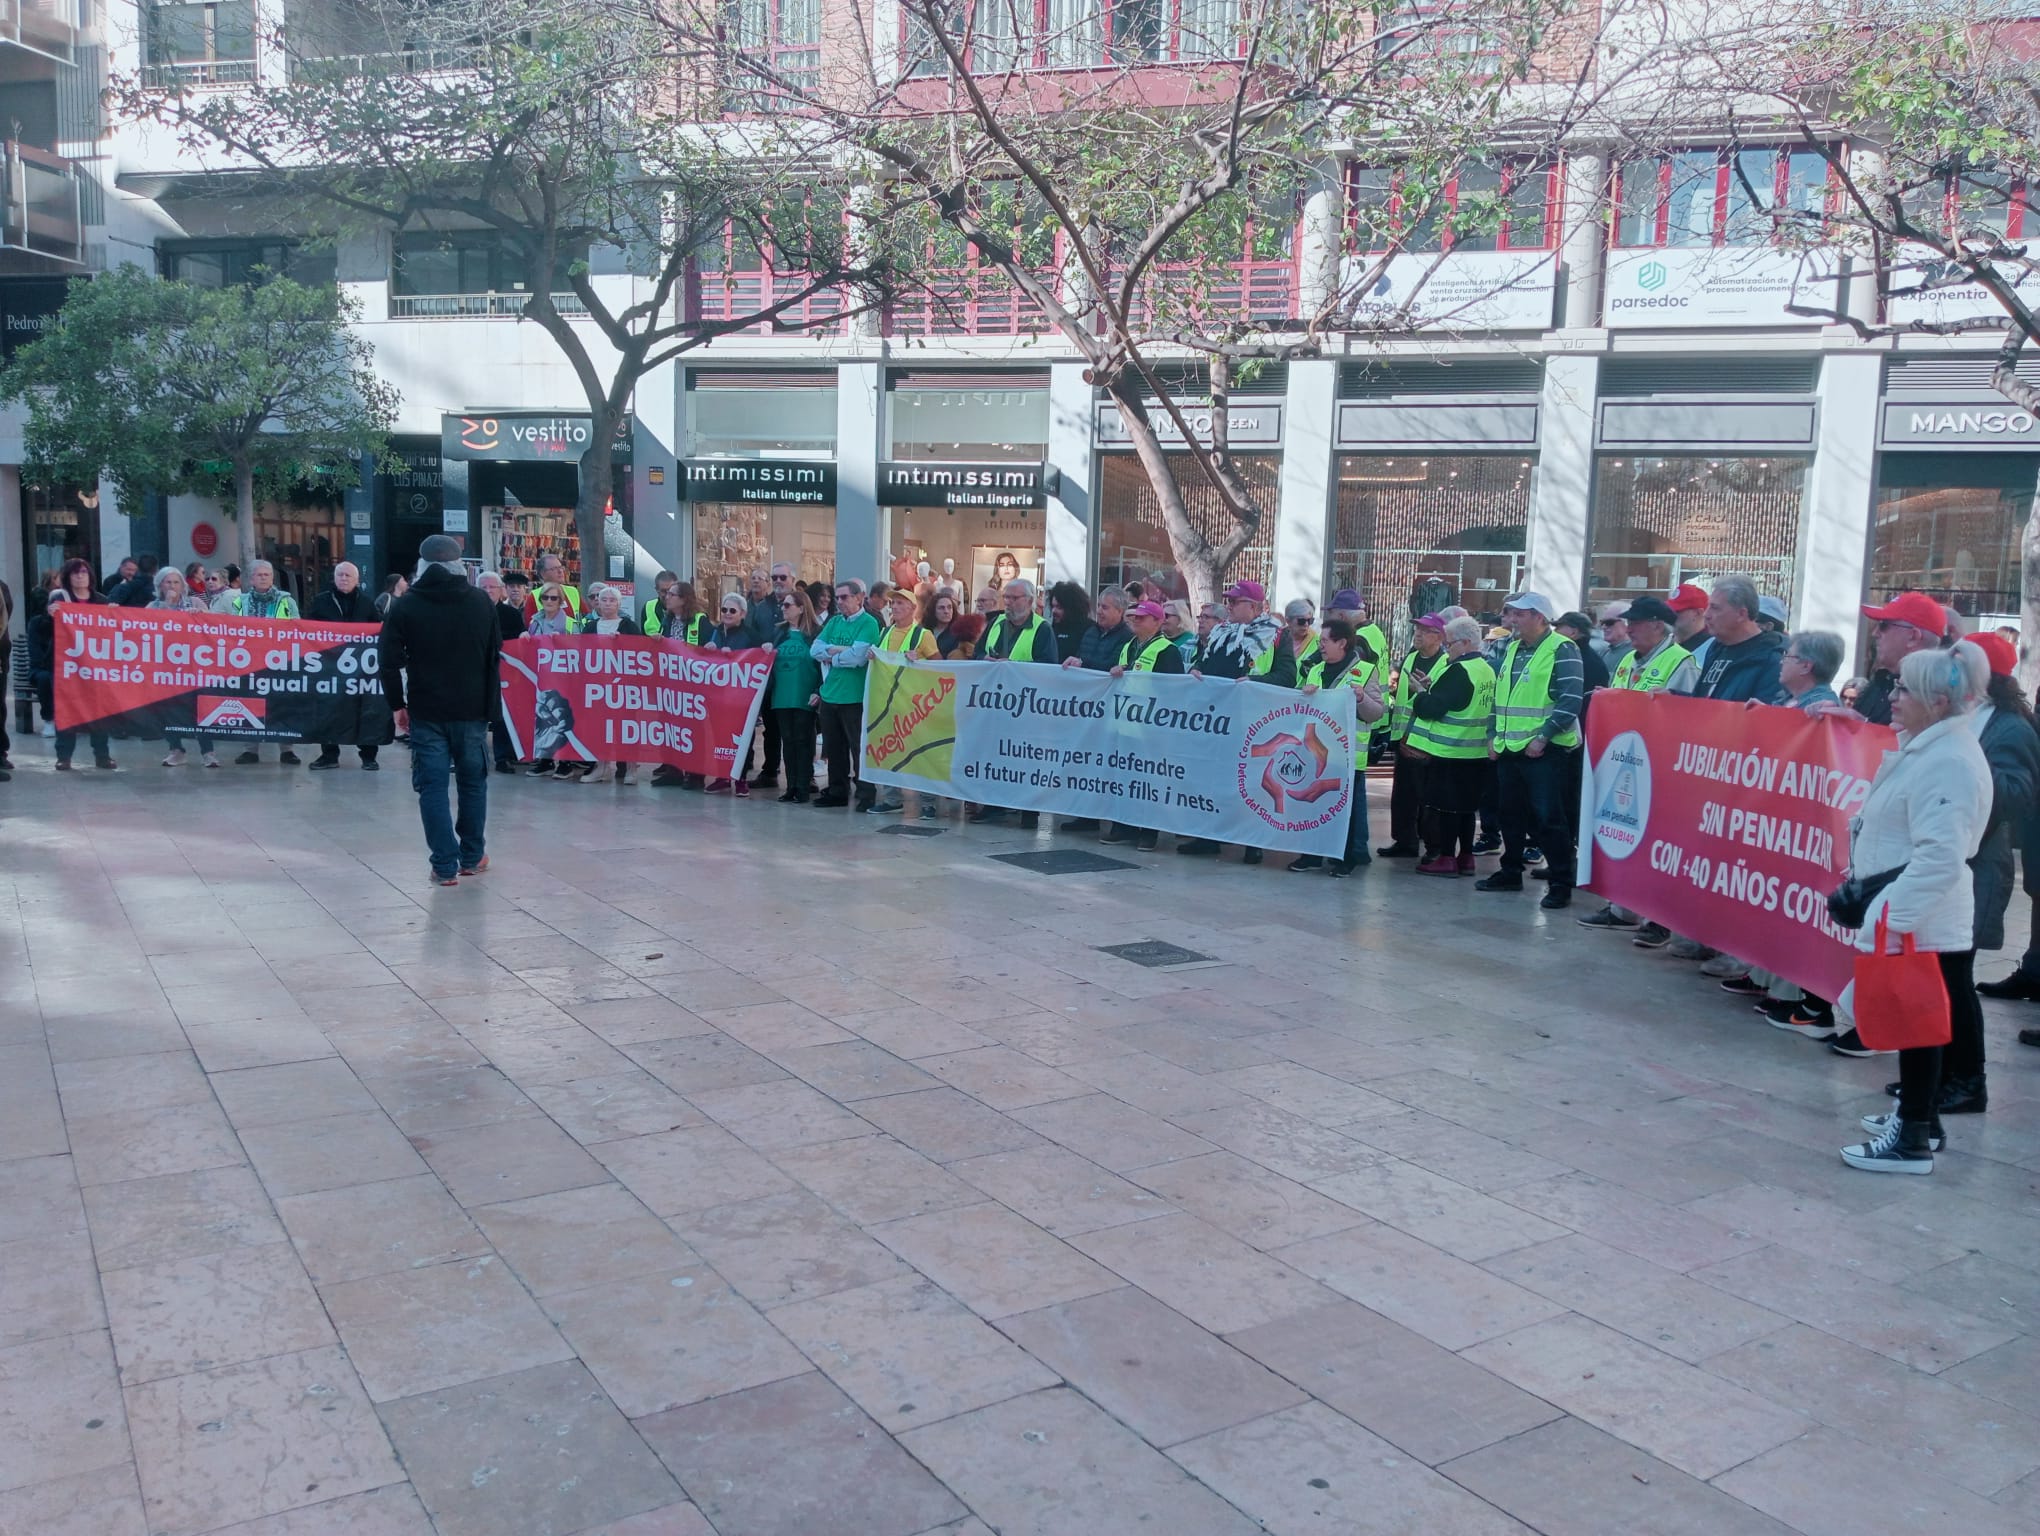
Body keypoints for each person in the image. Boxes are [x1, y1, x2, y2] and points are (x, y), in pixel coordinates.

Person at [1838, 643, 1993, 1173]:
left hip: (1919, 917)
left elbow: (1939, 857)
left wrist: (1886, 922)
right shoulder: (1929, 748)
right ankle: (1922, 1119)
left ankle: (1912, 1140)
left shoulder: (1948, 761)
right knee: (1919, 1025)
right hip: (1914, 914)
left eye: (1904, 689)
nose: (1892, 695)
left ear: (1937, 700)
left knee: (1917, 1027)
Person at [1894, 631, 2031, 1110]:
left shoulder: (2010, 727)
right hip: (1945, 860)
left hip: (1978, 865)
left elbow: (2016, 793)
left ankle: (1967, 1080)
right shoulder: (1956, 719)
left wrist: (1962, 777)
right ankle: (1933, 1076)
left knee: (1954, 977)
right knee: (1933, 975)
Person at [380, 534, 502, 888]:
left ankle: (445, 866)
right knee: (472, 783)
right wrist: (490, 706)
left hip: (427, 708)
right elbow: (494, 655)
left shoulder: (406, 604)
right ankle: (472, 856)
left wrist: (397, 705)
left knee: (432, 787)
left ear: (421, 566)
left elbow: (387, 661)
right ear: (459, 565)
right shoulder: (480, 601)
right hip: (472, 708)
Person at [1474, 592, 1581, 909]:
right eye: (1511, 614)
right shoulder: (1512, 648)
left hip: (1544, 751)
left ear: (1539, 617)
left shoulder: (1562, 648)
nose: (1512, 620)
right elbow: (1500, 698)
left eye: (1519, 614)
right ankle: (1510, 871)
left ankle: (1561, 882)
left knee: (1549, 818)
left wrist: (1544, 737)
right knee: (1510, 815)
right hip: (1510, 748)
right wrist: (1492, 734)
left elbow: (1570, 700)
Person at [1288, 618, 1380, 878]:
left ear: (1342, 643)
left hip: (1347, 757)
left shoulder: (1365, 670)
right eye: (1320, 642)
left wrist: (1361, 698)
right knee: (1311, 805)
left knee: (1346, 812)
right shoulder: (1315, 670)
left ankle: (1346, 859)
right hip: (1315, 755)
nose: (1321, 646)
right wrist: (1303, 694)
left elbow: (1376, 712)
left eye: (1325, 641)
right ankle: (1311, 855)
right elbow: (1298, 708)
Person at [1408, 616, 1497, 875]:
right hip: (1477, 751)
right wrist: (1434, 687)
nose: (1447, 649)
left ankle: (1446, 857)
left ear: (1466, 643)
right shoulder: (1485, 669)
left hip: (1450, 751)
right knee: (1466, 809)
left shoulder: (1459, 670)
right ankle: (1466, 856)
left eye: (1450, 644)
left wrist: (1421, 693)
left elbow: (1432, 709)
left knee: (1446, 808)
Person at [971, 580, 1056, 829]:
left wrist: (1014, 668)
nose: (1008, 603)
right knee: (995, 754)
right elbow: (977, 652)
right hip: (994, 703)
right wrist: (984, 659)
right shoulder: (996, 623)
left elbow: (1049, 666)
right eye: (1006, 597)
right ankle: (993, 805)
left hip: (1026, 707)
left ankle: (1029, 812)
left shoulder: (1042, 629)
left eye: (1014, 598)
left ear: (1029, 601)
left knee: (1026, 759)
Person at [1099, 601, 1183, 851]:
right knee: (1124, 777)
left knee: (1149, 780)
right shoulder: (1129, 646)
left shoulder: (1167, 650)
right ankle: (1124, 826)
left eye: (1142, 618)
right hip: (1125, 723)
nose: (1136, 620)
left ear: (1157, 622)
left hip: (1151, 727)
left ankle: (1148, 831)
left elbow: (1173, 690)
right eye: (1135, 617)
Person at [865, 588, 942, 815]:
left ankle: (928, 802)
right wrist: (873, 656)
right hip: (888, 702)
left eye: (900, 603)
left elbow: (940, 664)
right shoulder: (884, 632)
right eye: (893, 603)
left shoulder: (923, 635)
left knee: (922, 752)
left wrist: (921, 661)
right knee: (889, 750)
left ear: (912, 608)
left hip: (915, 704)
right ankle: (892, 799)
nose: (894, 607)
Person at [1381, 612, 1451, 858]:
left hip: (1430, 741)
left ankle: (1431, 845)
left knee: (1427, 796)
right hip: (1404, 738)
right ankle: (1404, 841)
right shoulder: (1410, 658)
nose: (1418, 634)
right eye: (1417, 629)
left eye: (1425, 630)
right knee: (1403, 795)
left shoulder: (1446, 663)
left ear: (1439, 636)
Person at [305, 562, 383, 772]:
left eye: (348, 575)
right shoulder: (321, 601)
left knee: (364, 711)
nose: (344, 578)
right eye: (340, 575)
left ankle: (369, 757)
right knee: (327, 711)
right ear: (334, 577)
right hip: (328, 668)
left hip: (360, 670)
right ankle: (329, 755)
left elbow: (378, 631)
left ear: (357, 580)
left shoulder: (367, 603)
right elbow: (307, 630)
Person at [811, 578, 881, 809]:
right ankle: (837, 790)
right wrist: (844, 652)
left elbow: (859, 658)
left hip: (855, 696)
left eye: (844, 597)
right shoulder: (834, 622)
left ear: (859, 598)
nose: (839, 601)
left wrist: (832, 655)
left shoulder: (869, 623)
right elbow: (815, 650)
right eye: (837, 597)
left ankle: (866, 792)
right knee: (834, 748)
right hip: (830, 693)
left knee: (859, 748)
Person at [147, 570, 218, 768]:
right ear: (160, 585)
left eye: (176, 582)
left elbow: (214, 627)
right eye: (168, 582)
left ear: (182, 585)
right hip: (166, 667)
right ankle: (176, 750)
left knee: (200, 708)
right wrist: (167, 606)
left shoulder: (195, 603)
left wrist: (201, 616)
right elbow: (146, 630)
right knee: (168, 709)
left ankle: (208, 752)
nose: (172, 586)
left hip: (194, 665)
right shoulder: (152, 607)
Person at [576, 585, 643, 785]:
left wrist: (622, 643)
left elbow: (640, 652)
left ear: (619, 604)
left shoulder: (629, 626)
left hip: (624, 688)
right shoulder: (590, 627)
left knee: (626, 728)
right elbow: (580, 652)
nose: (607, 603)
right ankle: (602, 768)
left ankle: (631, 768)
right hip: (598, 688)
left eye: (611, 600)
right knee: (599, 727)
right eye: (603, 599)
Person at [1849, 593, 1947, 726]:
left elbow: (1910, 737)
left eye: (1883, 625)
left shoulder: (1929, 695)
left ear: (1913, 637)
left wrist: (1862, 726)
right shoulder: (1881, 681)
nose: (1875, 633)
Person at [769, 585, 823, 803]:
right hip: (782, 695)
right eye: (783, 605)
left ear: (801, 608)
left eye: (788, 605)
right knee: (788, 741)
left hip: (804, 694)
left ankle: (803, 786)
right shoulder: (779, 632)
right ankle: (791, 786)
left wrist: (818, 690)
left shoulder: (815, 633)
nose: (783, 608)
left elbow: (822, 665)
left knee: (803, 740)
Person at [478, 571, 527, 772]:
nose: (488, 591)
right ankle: (475, 756)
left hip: (504, 674)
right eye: (484, 587)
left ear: (501, 591)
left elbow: (519, 642)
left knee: (502, 716)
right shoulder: (469, 611)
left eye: (492, 587)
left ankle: (503, 757)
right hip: (476, 672)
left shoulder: (511, 614)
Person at [1194, 579, 1279, 680]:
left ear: (1252, 607)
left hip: (1248, 690)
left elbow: (1286, 676)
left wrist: (1252, 680)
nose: (1228, 607)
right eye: (1228, 601)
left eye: (1233, 602)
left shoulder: (1277, 634)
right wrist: (1195, 669)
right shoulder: (1221, 631)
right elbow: (1203, 661)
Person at [1251, 599, 1319, 686]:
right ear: (1288, 620)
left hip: (1303, 693)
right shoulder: (1274, 638)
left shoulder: (1319, 642)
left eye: (1310, 621)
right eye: (1301, 621)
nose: (1306, 625)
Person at [1066, 585, 1131, 673]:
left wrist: (1082, 664)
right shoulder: (1090, 632)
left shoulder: (1127, 637)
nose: (1098, 611)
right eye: (1098, 605)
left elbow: (1112, 666)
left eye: (1104, 607)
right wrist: (1075, 662)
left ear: (1120, 611)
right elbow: (1080, 657)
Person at [1555, 612, 1610, 698]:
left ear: (1573, 633)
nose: (1554, 631)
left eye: (1558, 627)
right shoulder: (1592, 659)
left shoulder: (1575, 659)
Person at [523, 554, 581, 622]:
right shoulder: (534, 597)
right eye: (554, 569)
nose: (560, 571)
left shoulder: (573, 591)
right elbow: (531, 625)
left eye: (561, 567)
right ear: (543, 574)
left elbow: (586, 617)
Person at [1047, 581, 1090, 660]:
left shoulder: (1089, 629)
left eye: (1059, 607)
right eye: (1052, 606)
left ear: (1072, 608)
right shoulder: (1054, 627)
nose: (1053, 611)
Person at [1596, 602, 1633, 669]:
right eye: (1602, 623)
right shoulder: (1602, 653)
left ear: (1627, 623)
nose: (1604, 627)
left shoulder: (1639, 654)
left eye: (1609, 623)